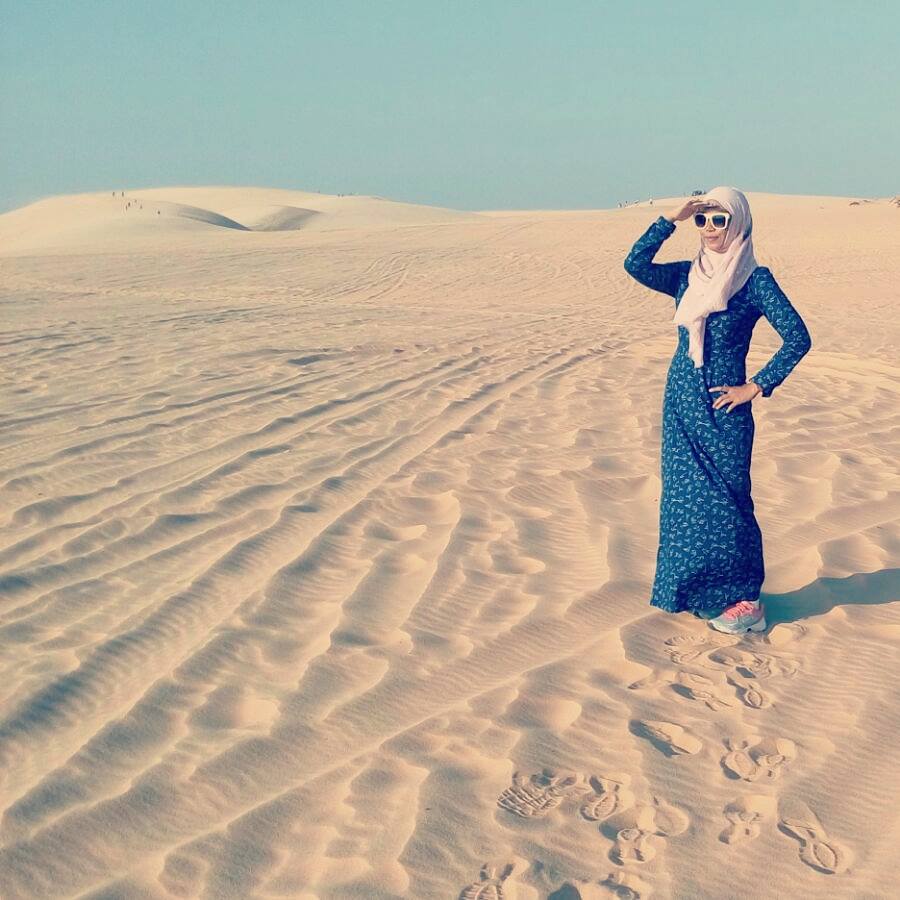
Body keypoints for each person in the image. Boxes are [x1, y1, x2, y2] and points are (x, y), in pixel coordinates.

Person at [623, 187, 812, 634]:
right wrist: (670, 219)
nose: (709, 228)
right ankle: (703, 593)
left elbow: (798, 338)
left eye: (719, 219)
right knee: (686, 502)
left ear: (738, 223)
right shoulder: (687, 276)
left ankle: (747, 601)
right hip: (681, 404)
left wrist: (756, 386)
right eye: (702, 220)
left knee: (729, 503)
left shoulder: (755, 280)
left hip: (724, 410)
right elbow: (635, 264)